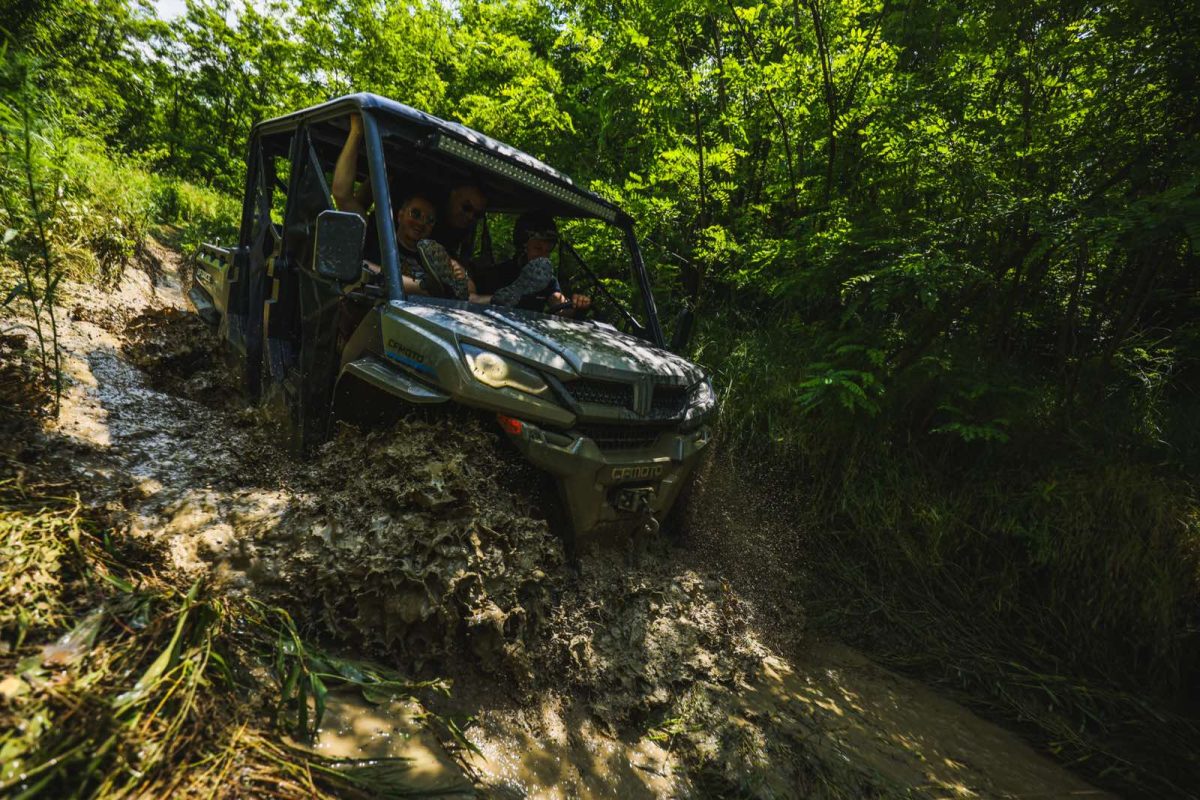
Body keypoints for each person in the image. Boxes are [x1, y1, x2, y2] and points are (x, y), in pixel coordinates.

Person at [331, 113, 468, 299]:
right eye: (416, 213)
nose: (421, 222)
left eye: (429, 220)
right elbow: (341, 194)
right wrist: (357, 131)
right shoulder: (374, 234)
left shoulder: (436, 256)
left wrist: (462, 276)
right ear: (400, 214)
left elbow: (467, 293)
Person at [470, 212, 591, 315]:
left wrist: (576, 304)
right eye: (538, 248)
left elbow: (558, 302)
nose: (543, 255)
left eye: (548, 250)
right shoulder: (496, 274)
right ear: (522, 247)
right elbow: (468, 300)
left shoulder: (547, 280)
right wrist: (496, 300)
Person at [433, 183, 488, 262]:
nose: (470, 216)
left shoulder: (463, 236)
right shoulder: (428, 220)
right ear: (453, 195)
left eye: (477, 214)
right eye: (467, 207)